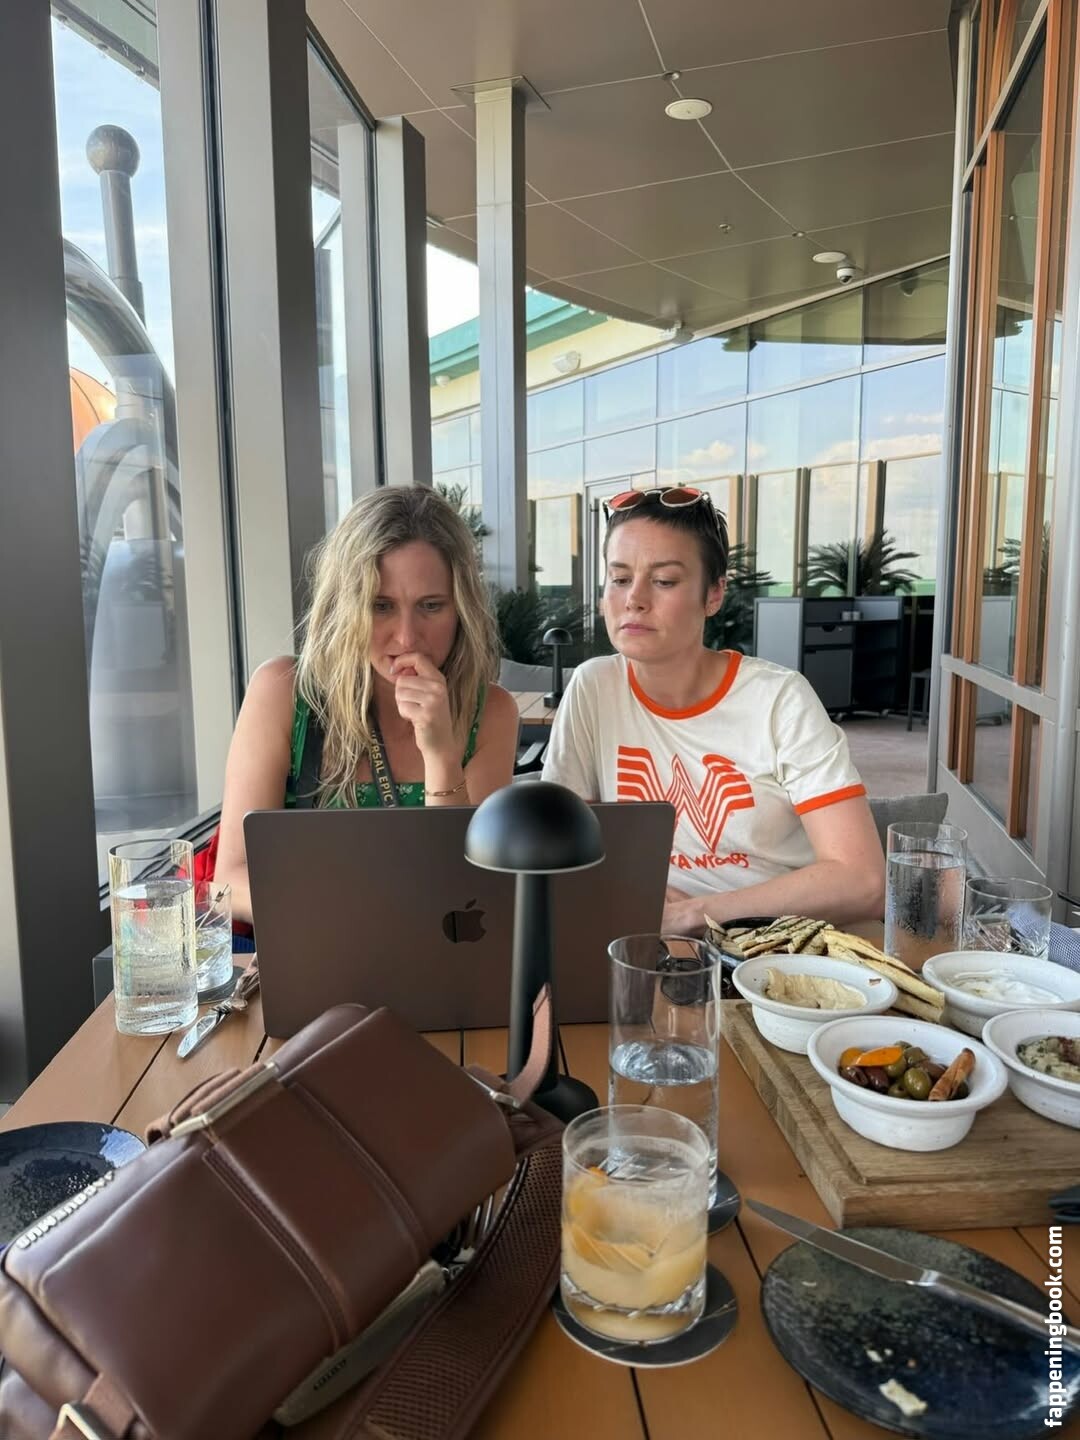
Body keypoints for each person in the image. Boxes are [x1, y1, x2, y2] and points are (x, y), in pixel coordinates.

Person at [541, 486, 885, 934]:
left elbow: (864, 880)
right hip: (649, 939)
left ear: (714, 594)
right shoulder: (595, 687)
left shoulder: (778, 699)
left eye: (664, 581)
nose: (634, 599)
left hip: (773, 943)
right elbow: (563, 846)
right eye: (620, 578)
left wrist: (695, 913)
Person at [215, 486, 519, 924]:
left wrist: (441, 756)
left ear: (462, 609)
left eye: (431, 606)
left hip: (434, 957)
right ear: (345, 607)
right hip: (312, 952)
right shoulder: (283, 692)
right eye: (381, 606)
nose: (407, 637)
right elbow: (226, 884)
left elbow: (468, 894)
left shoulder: (489, 712)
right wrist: (361, 912)